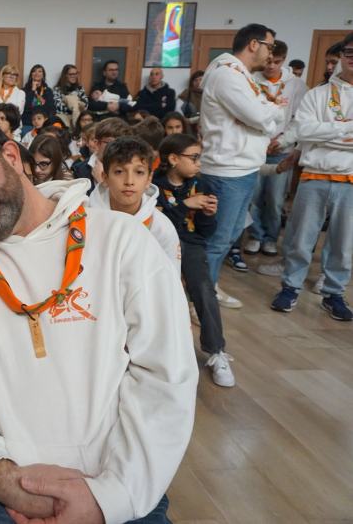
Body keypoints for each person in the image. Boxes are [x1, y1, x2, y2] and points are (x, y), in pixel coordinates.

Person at [0, 114, 197, 524]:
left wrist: (107, 496)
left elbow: (166, 375)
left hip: (113, 475)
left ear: (9, 155)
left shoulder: (122, 241)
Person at [199, 23, 286, 308]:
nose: (270, 55)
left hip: (243, 168)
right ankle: (200, 299)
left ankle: (208, 288)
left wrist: (268, 112)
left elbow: (269, 121)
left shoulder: (243, 76)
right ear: (253, 44)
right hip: (226, 171)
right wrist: (275, 107)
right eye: (269, 47)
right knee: (216, 242)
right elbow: (261, 118)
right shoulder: (227, 75)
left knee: (227, 239)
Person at [270, 33, 353, 322]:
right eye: (349, 52)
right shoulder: (317, 94)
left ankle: (334, 292)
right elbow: (303, 132)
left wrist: (325, 132)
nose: (351, 58)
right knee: (300, 237)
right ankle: (290, 287)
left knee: (344, 242)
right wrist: (344, 131)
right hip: (315, 173)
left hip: (350, 178)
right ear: (342, 55)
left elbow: (314, 132)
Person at [155, 134, 233, 386]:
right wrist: (184, 203)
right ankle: (161, 351)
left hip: (191, 244)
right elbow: (159, 222)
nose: (199, 163)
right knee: (161, 295)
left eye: (200, 157)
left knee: (203, 288)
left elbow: (205, 231)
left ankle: (216, 351)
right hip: (158, 244)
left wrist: (208, 215)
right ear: (174, 159)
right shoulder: (155, 185)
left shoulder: (202, 186)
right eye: (194, 157)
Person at [245, 39, 307, 257]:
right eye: (269, 61)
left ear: (284, 61)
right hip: (256, 148)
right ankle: (255, 235)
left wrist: (280, 141)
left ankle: (271, 238)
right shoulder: (252, 80)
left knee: (275, 199)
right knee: (254, 196)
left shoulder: (296, 84)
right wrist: (262, 140)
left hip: (282, 149)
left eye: (277, 62)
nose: (271, 66)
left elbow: (299, 119)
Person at [89, 136, 180, 268]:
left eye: (139, 172)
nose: (129, 181)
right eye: (119, 171)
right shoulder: (87, 219)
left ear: (149, 179)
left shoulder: (161, 228)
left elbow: (170, 281)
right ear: (105, 178)